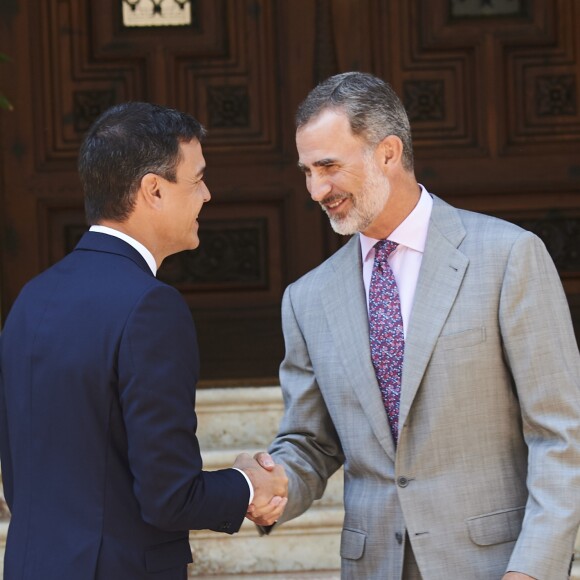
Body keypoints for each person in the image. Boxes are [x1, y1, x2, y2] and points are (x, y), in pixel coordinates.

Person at [249, 72, 580, 579]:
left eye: (329, 167)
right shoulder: (306, 299)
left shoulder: (509, 256)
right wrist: (269, 487)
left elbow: (561, 434)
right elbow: (311, 442)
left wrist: (533, 569)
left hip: (494, 565)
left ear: (387, 152)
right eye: (307, 171)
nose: (317, 189)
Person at [0, 102, 287, 579]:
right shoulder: (151, 307)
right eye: (197, 180)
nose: (208, 195)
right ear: (153, 190)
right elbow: (169, 498)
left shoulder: (32, 298)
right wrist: (247, 484)